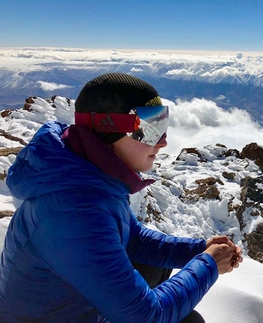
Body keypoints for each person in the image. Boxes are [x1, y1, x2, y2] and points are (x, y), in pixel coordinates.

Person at [0, 73, 242, 322]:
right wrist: (209, 264)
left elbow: (133, 239)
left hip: (68, 307)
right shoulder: (75, 210)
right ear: (107, 131)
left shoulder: (87, 174)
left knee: (154, 265)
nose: (163, 142)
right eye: (151, 128)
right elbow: (148, 317)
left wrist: (199, 250)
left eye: (162, 123)